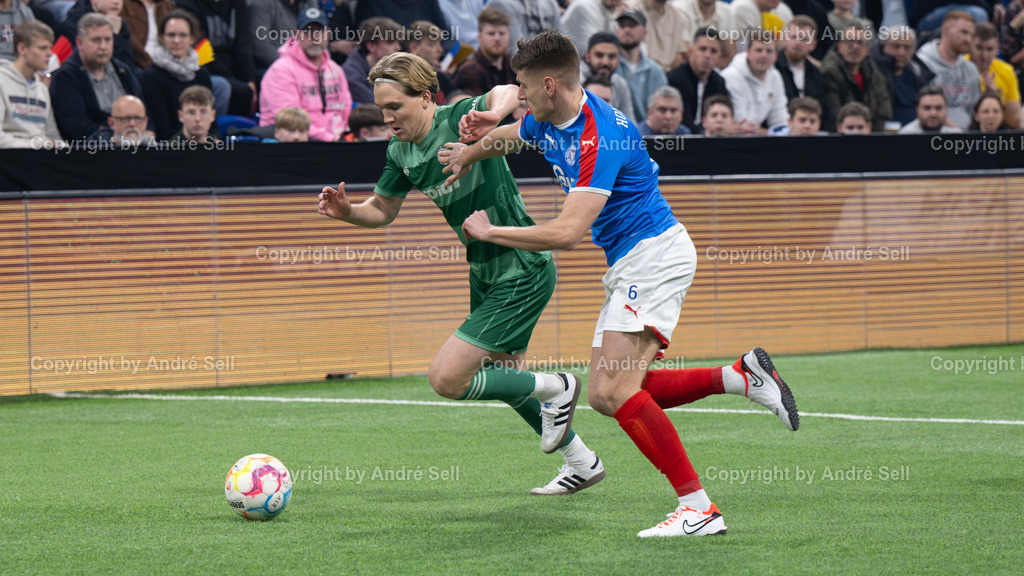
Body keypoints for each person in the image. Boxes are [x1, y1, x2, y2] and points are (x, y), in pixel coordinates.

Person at [439, 30, 799, 537]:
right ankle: (738, 377)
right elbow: (513, 136)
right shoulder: (550, 117)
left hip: (653, 258)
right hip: (636, 261)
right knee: (617, 391)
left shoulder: (597, 136)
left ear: (548, 85)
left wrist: (489, 231)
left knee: (612, 390)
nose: (517, 95)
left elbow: (566, 233)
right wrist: (470, 153)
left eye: (522, 86)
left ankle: (698, 508)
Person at [318, 52, 607, 496]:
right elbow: (383, 209)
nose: (388, 117)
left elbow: (511, 91)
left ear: (427, 97)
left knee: (447, 379)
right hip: (485, 271)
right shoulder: (399, 151)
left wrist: (493, 113)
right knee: (507, 382)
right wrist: (349, 213)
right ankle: (581, 461)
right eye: (381, 109)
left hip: (521, 267)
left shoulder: (459, 118)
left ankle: (559, 385)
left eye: (395, 106)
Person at [259, 6, 352, 142]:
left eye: (319, 32)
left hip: (332, 141)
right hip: (291, 142)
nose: (314, 38)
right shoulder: (281, 70)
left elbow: (345, 111)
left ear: (328, 34)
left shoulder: (336, 70)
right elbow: (291, 121)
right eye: (307, 32)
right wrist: (330, 139)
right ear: (296, 34)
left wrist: (339, 135)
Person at [49, 12, 144, 140]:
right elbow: (75, 128)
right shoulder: (65, 77)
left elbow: (143, 111)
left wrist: (148, 132)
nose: (103, 46)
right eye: (96, 40)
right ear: (79, 42)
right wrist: (115, 138)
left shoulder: (123, 71)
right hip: (91, 153)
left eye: (108, 39)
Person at [139, 10, 213, 140]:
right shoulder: (150, 77)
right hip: (171, 149)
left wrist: (213, 140)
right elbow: (162, 129)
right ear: (162, 37)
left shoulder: (202, 74)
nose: (177, 41)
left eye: (183, 35)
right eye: (171, 35)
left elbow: (211, 120)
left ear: (192, 38)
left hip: (202, 145)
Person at [175, 0, 256, 117]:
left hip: (231, 66)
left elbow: (243, 44)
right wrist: (233, 78)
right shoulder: (188, 4)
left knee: (251, 88)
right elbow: (200, 47)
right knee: (238, 90)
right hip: (204, 66)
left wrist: (249, 79)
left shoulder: (237, 3)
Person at [914, 10, 982, 131]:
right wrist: (958, 133)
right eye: (964, 32)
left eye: (971, 35)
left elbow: (975, 109)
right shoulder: (922, 63)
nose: (968, 39)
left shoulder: (971, 69)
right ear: (946, 30)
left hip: (968, 137)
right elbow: (923, 110)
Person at [0, 20, 63, 148]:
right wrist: (39, 144)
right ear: (22, 49)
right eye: (42, 48)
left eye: (50, 48)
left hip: (40, 160)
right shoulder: (2, 81)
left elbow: (52, 136)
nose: (50, 54)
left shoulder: (42, 89)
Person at [820, 21, 892, 131]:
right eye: (850, 41)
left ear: (867, 50)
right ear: (840, 46)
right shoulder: (829, 73)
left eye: (860, 42)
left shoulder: (875, 74)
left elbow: (882, 114)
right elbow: (833, 116)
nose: (855, 47)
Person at [721, 34, 789, 134]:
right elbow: (743, 126)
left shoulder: (775, 76)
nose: (764, 55)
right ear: (748, 53)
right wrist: (772, 133)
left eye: (769, 51)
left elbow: (780, 120)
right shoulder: (731, 76)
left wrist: (782, 132)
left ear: (775, 56)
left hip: (758, 139)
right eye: (759, 50)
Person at [666, 28, 729, 134]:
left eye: (713, 51)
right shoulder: (675, 79)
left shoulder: (719, 82)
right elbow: (683, 122)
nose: (707, 55)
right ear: (691, 51)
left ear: (719, 56)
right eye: (703, 49)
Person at [614, 8, 667, 123]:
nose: (627, 30)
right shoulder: (609, 65)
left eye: (632, 25)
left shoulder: (655, 71)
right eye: (622, 26)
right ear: (617, 32)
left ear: (644, 33)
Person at [967, 22, 1022, 129]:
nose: (984, 55)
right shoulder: (959, 68)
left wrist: (994, 95)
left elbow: (1015, 120)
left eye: (989, 49)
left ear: (997, 48)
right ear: (970, 45)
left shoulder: (1006, 71)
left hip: (998, 134)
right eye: (979, 48)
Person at [452, 7, 516, 97]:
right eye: (491, 33)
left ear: (509, 35)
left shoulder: (514, 65)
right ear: (480, 36)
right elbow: (476, 109)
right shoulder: (469, 71)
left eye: (502, 33)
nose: (497, 38)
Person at [872, 25, 926, 127]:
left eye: (906, 48)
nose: (901, 52)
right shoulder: (873, 73)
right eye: (896, 46)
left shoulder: (918, 74)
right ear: (883, 47)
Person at [342, 16, 403, 105]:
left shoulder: (395, 67)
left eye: (398, 42)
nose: (398, 47)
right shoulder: (352, 75)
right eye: (390, 42)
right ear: (371, 46)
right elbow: (376, 111)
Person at [580, 31, 636, 121]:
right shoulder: (574, 82)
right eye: (599, 55)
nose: (605, 62)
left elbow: (629, 124)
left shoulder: (620, 84)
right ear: (587, 57)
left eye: (612, 56)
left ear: (619, 59)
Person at [776, 16, 825, 117]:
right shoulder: (772, 68)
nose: (798, 43)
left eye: (804, 39)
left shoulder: (817, 74)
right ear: (785, 39)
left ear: (813, 44)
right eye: (793, 37)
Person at [626, 0, 689, 71]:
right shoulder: (634, 9)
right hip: (643, 71)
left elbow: (679, 55)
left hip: (669, 74)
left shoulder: (674, 14)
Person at [675, 0, 736, 69]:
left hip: (714, 72)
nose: (707, 55)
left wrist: (705, 62)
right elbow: (685, 54)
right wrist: (713, 59)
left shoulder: (726, 11)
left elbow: (731, 58)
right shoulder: (680, 9)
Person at [406, 20, 453, 104]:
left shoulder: (442, 78)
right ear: (414, 48)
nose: (440, 50)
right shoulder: (404, 79)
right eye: (432, 44)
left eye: (439, 44)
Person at [486, 0, 561, 52]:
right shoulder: (501, 3)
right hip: (519, 71)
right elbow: (516, 52)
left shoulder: (551, 4)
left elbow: (563, 44)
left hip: (549, 68)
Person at [121, 0, 174, 69]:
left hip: (168, 63)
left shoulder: (168, 5)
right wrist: (147, 63)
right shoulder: (125, 4)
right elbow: (129, 39)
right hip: (140, 64)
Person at [248, 0, 296, 74]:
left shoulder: (308, 3)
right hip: (272, 68)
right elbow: (261, 46)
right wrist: (293, 66)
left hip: (304, 64)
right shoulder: (262, 3)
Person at [898, 85, 963, 132]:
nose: (933, 114)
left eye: (938, 108)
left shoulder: (955, 138)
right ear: (917, 109)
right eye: (927, 108)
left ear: (946, 109)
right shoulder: (905, 136)